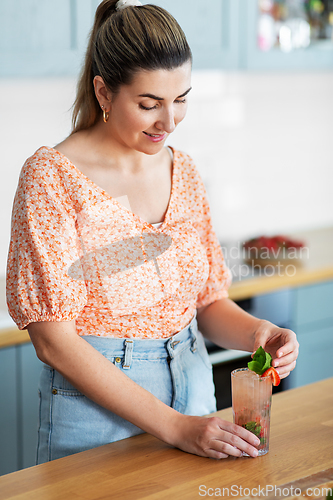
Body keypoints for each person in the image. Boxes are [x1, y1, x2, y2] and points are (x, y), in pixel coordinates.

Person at [6, 0, 298, 464]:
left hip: (194, 390)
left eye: (181, 100)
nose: (169, 122)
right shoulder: (52, 177)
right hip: (96, 418)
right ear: (104, 93)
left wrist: (260, 332)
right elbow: (52, 340)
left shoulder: (182, 170)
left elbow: (206, 302)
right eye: (149, 104)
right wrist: (176, 427)